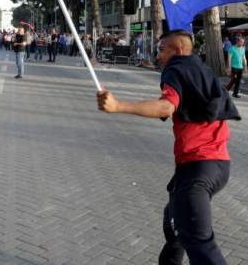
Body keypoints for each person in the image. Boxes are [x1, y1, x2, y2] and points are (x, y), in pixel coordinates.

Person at [96, 30, 238, 265]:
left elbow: (166, 107)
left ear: (179, 51)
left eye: (162, 50)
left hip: (198, 169)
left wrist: (118, 105)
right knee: (173, 222)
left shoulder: (177, 68)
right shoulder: (203, 71)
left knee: (199, 242)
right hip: (217, 165)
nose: (158, 56)